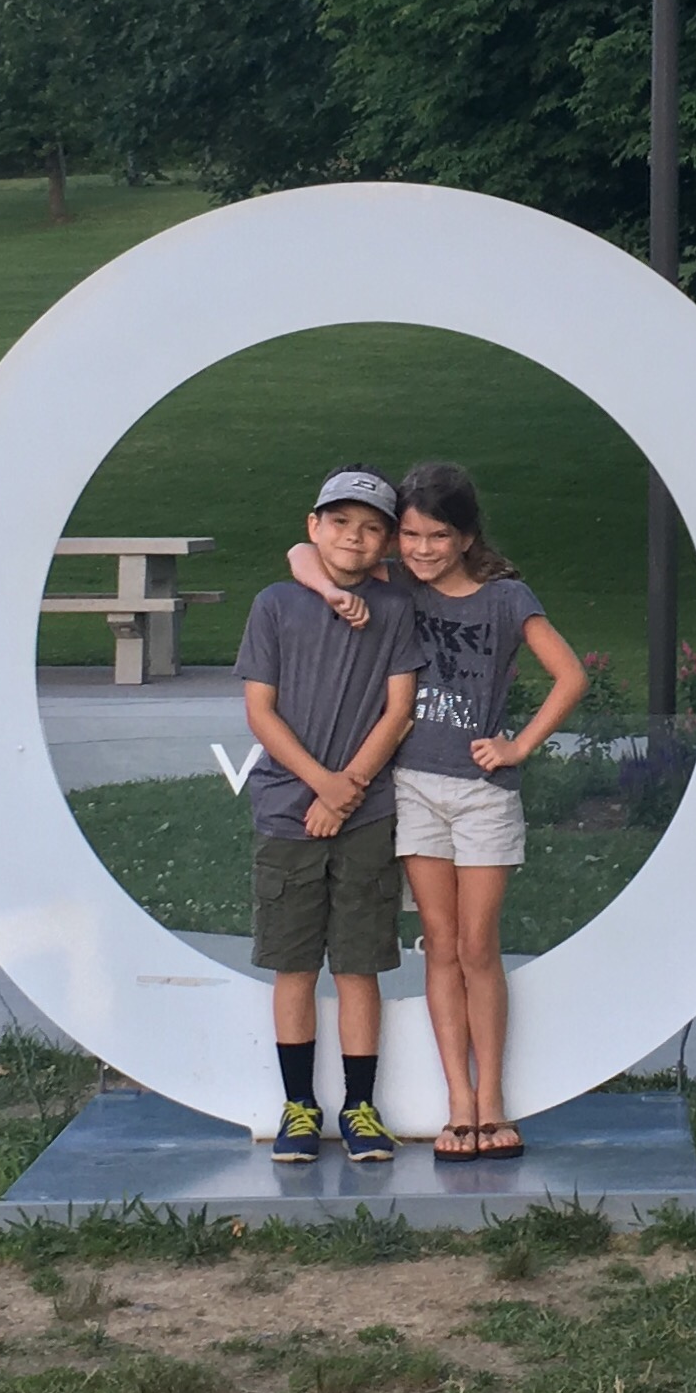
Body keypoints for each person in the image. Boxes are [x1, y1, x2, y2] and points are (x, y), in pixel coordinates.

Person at [288, 459, 587, 1157]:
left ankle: (492, 1099)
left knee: (478, 946)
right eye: (412, 535)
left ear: (466, 536)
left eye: (439, 536)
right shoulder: (397, 584)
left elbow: (569, 674)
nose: (422, 549)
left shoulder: (506, 598)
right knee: (440, 944)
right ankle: (458, 1101)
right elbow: (303, 552)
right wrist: (327, 592)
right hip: (415, 786)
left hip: (482, 793)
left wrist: (519, 745)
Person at [236, 467, 419, 1166]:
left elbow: (398, 710)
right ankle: (298, 1106)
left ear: (388, 543)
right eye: (339, 521)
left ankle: (360, 1107)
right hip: (287, 812)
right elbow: (260, 710)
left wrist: (350, 790)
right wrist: (321, 785)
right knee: (292, 967)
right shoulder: (276, 604)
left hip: (366, 815)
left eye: (372, 527)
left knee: (357, 967)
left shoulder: (395, 608)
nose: (354, 536)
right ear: (313, 527)